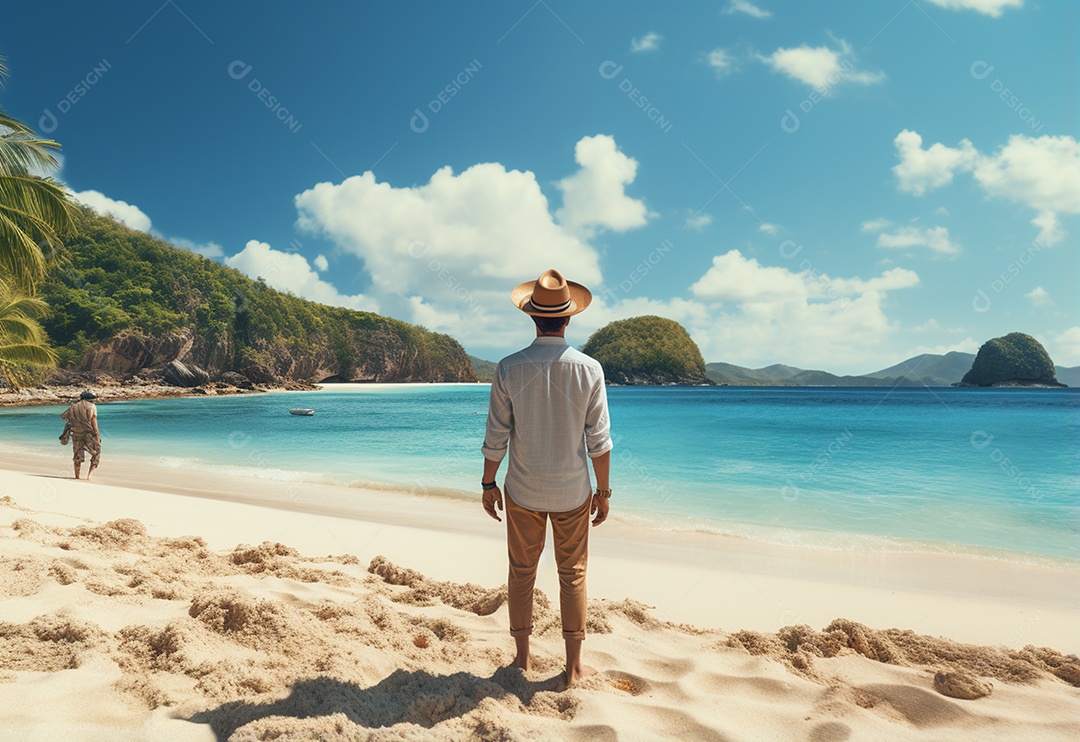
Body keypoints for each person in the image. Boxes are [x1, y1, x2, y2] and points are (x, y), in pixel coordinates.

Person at [481, 268, 613, 686]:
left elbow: (496, 435)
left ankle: (522, 659)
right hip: (573, 491)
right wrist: (604, 492)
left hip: (522, 488)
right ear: (568, 318)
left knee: (521, 572)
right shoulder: (589, 369)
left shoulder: (508, 368)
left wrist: (488, 483)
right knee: (572, 575)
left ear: (532, 317)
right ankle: (573, 667)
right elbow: (599, 441)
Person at [61, 390, 101, 480]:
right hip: (89, 433)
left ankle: (77, 476)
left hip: (76, 433)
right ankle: (89, 476)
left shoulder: (73, 407)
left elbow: (64, 417)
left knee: (77, 455)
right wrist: (97, 434)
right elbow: (93, 420)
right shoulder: (91, 406)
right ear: (90, 399)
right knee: (96, 452)